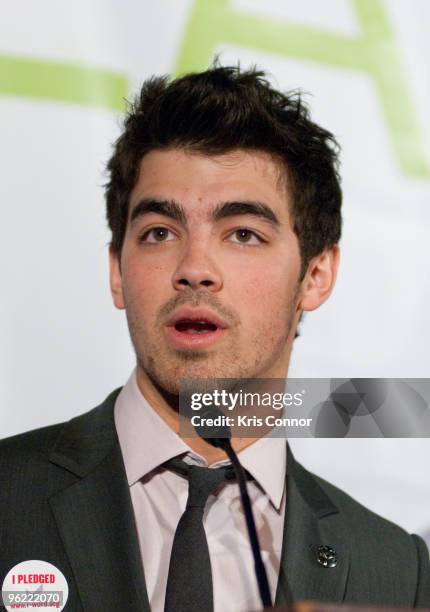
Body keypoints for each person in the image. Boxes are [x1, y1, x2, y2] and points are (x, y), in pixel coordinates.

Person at [1, 64, 429, 611]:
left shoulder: (395, 569)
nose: (195, 268)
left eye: (243, 234)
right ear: (117, 271)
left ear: (316, 276)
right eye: (160, 232)